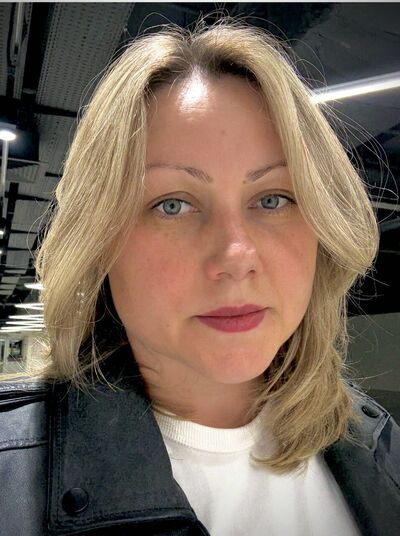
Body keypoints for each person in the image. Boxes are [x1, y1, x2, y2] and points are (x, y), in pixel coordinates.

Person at [1, 17, 399, 536]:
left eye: (273, 199)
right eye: (173, 204)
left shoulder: (377, 442)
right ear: (98, 242)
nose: (236, 256)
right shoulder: (13, 481)